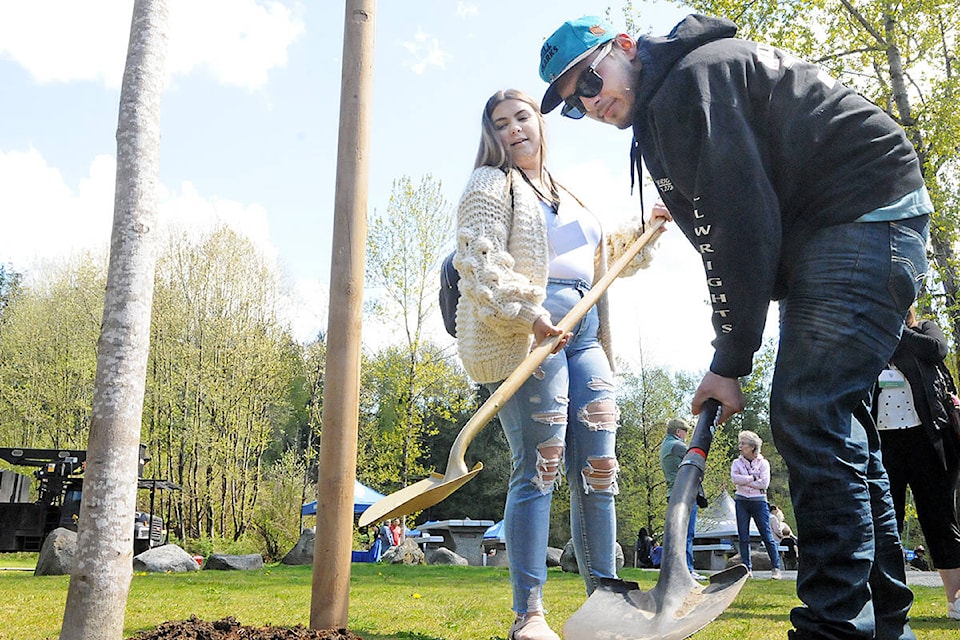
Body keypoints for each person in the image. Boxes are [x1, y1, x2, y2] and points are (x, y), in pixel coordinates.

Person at [538, 13, 931, 640]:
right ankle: (885, 624)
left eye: (590, 79)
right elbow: (736, 224)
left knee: (809, 412)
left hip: (860, 217)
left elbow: (739, 227)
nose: (591, 102)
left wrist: (730, 357)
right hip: (858, 228)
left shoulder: (692, 83)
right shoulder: (676, 96)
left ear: (626, 46)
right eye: (576, 105)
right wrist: (732, 344)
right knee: (839, 426)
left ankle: (837, 628)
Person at [452, 88, 659, 640]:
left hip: (587, 333)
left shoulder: (564, 190)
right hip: (527, 335)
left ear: (540, 124)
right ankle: (531, 614)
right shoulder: (490, 186)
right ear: (491, 135)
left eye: (523, 117)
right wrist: (530, 312)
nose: (515, 129)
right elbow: (477, 261)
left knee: (600, 471)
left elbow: (595, 258)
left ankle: (607, 603)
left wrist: (641, 230)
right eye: (501, 123)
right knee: (540, 467)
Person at [872, 306, 960, 620]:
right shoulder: (867, 337)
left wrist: (892, 329)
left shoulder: (924, 329)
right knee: (885, 525)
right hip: (884, 446)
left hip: (929, 440)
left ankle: (956, 601)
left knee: (940, 521)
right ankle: (889, 602)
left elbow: (937, 349)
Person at [730, 430, 782, 579]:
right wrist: (753, 478)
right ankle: (747, 568)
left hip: (758, 501)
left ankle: (776, 568)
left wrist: (746, 480)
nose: (740, 446)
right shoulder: (736, 463)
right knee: (743, 536)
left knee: (766, 534)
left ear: (752, 446)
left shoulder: (763, 463)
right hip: (741, 500)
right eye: (739, 443)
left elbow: (764, 483)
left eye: (743, 444)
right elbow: (735, 479)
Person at [659, 417, 704, 580]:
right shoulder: (678, 446)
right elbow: (696, 461)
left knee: (677, 534)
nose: (687, 435)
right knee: (686, 534)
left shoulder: (665, 445)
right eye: (686, 432)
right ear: (679, 432)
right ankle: (688, 571)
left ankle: (676, 571)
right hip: (684, 495)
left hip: (673, 494)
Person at [769, 504, 799, 570]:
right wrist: (781, 535)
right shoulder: (773, 518)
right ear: (773, 510)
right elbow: (777, 530)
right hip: (777, 540)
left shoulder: (766, 517)